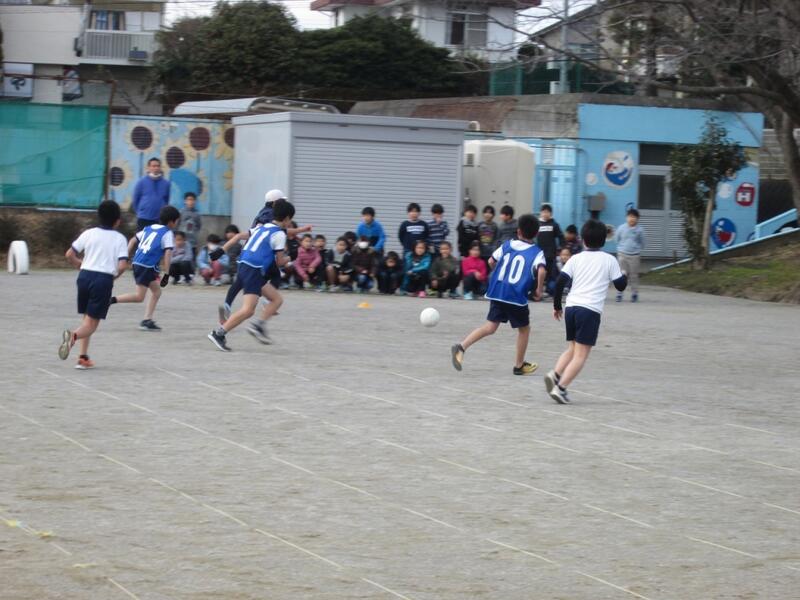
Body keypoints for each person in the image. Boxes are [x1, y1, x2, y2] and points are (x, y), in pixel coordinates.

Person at [451, 214, 546, 376]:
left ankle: (461, 347)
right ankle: (519, 365)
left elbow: (491, 261)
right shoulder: (537, 252)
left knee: (490, 326)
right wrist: (539, 289)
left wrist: (501, 272)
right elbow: (542, 270)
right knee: (524, 329)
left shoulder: (507, 245)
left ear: (518, 231)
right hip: (515, 296)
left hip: (498, 291)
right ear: (536, 234)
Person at [545, 219, 628, 404]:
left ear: (583, 239)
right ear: (604, 240)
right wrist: (624, 275)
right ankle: (561, 388)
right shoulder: (609, 259)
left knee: (573, 348)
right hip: (589, 310)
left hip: (571, 308)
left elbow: (560, 282)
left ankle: (555, 374)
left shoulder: (576, 258)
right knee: (581, 355)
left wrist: (557, 306)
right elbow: (620, 286)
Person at [207, 200, 295, 351]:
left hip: (244, 265)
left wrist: (222, 250)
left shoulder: (263, 226)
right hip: (253, 269)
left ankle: (258, 325)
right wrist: (292, 257)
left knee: (276, 299)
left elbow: (240, 236)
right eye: (290, 219)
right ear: (287, 218)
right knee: (248, 310)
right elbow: (280, 262)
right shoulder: (279, 234)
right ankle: (219, 334)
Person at [218, 190, 311, 321]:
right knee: (274, 274)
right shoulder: (272, 215)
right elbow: (281, 232)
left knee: (241, 280)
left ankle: (227, 305)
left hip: (248, 251)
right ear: (275, 202)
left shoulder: (263, 212)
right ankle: (267, 303)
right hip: (260, 254)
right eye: (282, 201)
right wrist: (300, 231)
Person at [59, 200, 129, 369]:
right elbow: (122, 266)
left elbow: (69, 254)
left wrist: (80, 265)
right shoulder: (120, 238)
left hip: (84, 276)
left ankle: (83, 358)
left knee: (86, 318)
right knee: (91, 325)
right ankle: (73, 336)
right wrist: (113, 277)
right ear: (117, 221)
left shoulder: (88, 233)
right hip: (103, 279)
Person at [111, 205, 179, 331]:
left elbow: (132, 240)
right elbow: (168, 253)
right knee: (139, 297)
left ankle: (147, 320)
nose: (176, 223)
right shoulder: (168, 233)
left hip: (138, 263)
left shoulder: (149, 228)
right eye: (177, 221)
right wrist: (167, 273)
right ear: (171, 222)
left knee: (157, 292)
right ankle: (111, 300)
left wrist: (125, 257)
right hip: (147, 266)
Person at [614, 208, 645, 302]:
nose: (632, 219)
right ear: (626, 218)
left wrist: (637, 248)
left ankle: (634, 293)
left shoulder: (640, 230)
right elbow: (616, 239)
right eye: (630, 217)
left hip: (634, 256)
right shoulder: (621, 228)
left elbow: (642, 242)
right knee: (621, 275)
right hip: (622, 255)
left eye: (634, 217)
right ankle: (619, 293)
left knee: (634, 275)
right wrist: (621, 248)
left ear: (637, 219)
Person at [132, 157, 171, 230]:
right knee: (142, 236)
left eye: (158, 166)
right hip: (144, 218)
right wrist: (140, 212)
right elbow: (135, 199)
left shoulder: (166, 183)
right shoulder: (141, 182)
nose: (156, 168)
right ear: (149, 167)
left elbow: (166, 199)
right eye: (153, 166)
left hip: (159, 219)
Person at [536, 203, 564, 292]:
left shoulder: (554, 224)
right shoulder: (537, 224)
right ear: (541, 213)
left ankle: (549, 290)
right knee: (539, 271)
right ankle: (538, 290)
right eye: (543, 212)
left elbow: (560, 236)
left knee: (550, 273)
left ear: (551, 214)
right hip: (539, 253)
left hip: (550, 253)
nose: (545, 214)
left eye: (547, 212)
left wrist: (561, 248)